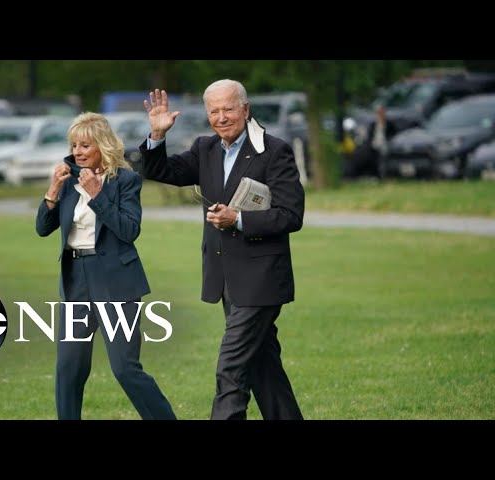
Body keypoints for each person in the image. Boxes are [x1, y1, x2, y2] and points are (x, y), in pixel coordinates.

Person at [140, 79, 305, 420]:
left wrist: (238, 219)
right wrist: (157, 134)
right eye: (214, 111)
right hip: (226, 280)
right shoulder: (206, 149)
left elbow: (291, 215)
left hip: (261, 280)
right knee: (262, 366)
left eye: (228, 109)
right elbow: (159, 170)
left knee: (231, 367)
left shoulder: (274, 151)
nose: (221, 117)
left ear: (245, 109)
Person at [35, 112, 176, 420]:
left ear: (103, 145)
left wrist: (97, 195)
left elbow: (129, 230)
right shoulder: (68, 181)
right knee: (68, 368)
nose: (78, 151)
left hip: (116, 281)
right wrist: (53, 192)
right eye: (74, 145)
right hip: (76, 280)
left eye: (85, 145)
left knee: (125, 368)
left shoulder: (125, 181)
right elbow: (42, 228)